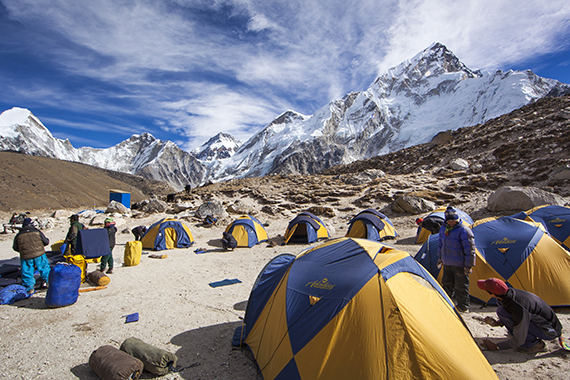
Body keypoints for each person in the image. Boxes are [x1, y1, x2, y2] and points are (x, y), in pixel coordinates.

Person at [479, 278, 563, 353]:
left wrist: (496, 346)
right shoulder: (509, 294)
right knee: (501, 311)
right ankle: (525, 336)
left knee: (519, 334)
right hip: (539, 322)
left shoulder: (518, 307)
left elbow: (519, 340)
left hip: (550, 331)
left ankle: (534, 345)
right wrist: (499, 323)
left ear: (492, 294)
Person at [437, 206, 476, 313]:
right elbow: (440, 245)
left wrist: (469, 265)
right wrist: (440, 258)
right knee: (446, 284)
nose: (452, 223)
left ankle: (463, 307)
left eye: (454, 221)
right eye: (450, 221)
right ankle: (446, 303)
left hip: (460, 264)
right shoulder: (443, 229)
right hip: (447, 263)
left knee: (461, 286)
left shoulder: (464, 230)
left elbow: (470, 249)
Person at [13, 218, 50, 294]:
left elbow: (15, 247)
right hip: (39, 254)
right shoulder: (37, 231)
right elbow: (45, 242)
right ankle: (49, 282)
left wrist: (23, 251)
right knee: (44, 268)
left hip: (26, 256)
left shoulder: (19, 235)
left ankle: (29, 287)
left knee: (27, 271)